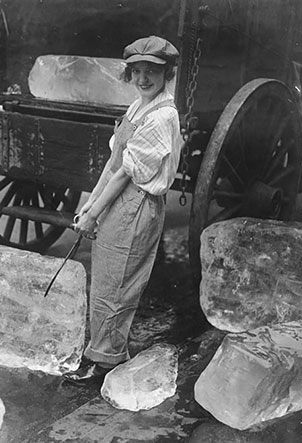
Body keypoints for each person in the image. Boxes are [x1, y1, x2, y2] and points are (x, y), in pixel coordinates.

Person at [63, 36, 182, 384]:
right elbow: (114, 163)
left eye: (152, 72)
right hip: (119, 199)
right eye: (137, 71)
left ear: (167, 73)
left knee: (119, 285)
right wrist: (91, 204)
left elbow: (126, 174)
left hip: (138, 205)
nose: (143, 79)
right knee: (105, 279)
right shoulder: (137, 108)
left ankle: (105, 360)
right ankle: (102, 352)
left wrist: (94, 213)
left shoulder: (162, 116)